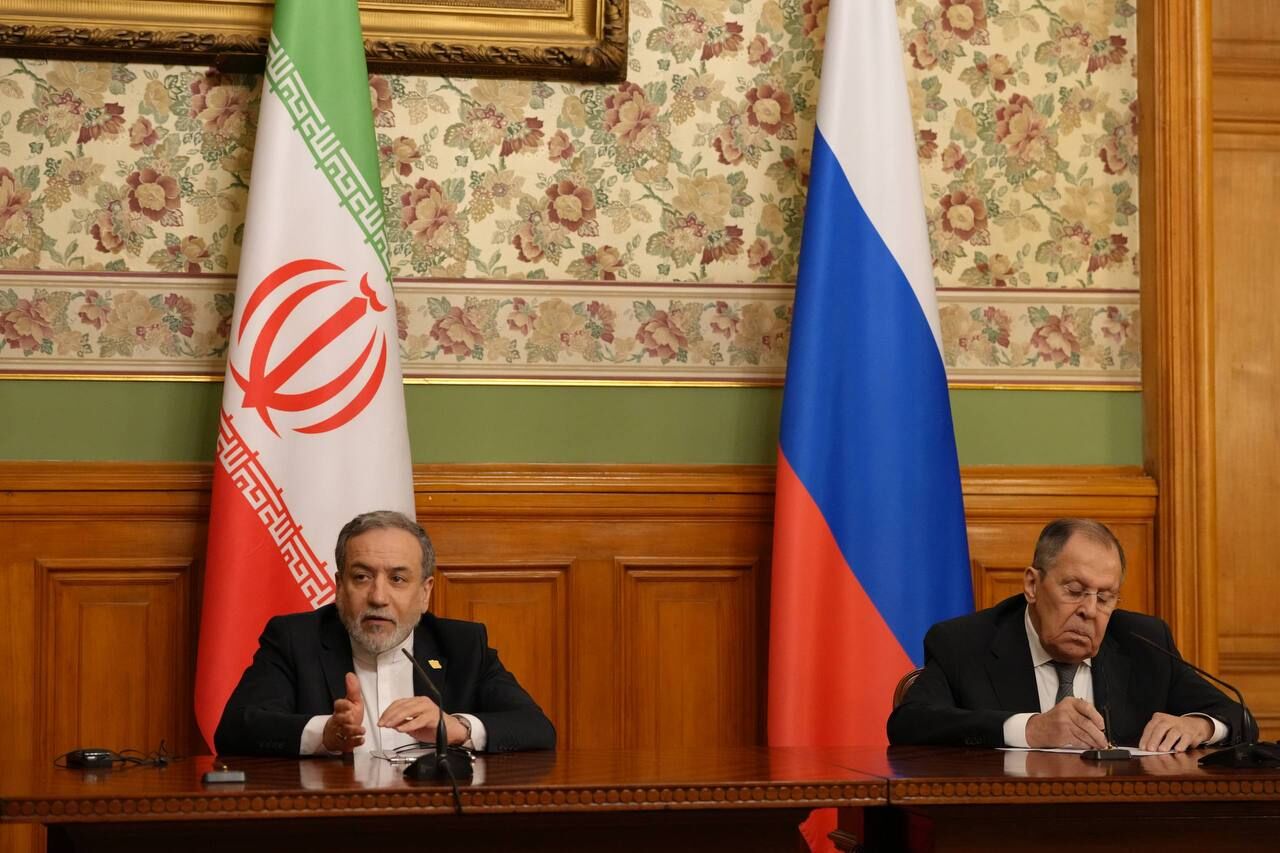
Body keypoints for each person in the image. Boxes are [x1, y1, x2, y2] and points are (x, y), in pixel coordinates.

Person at [887, 518, 1254, 751]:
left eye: (1105, 598)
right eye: (1075, 591)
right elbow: (909, 723)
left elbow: (1239, 717)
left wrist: (1200, 725)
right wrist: (1029, 729)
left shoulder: (1143, 642)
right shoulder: (965, 643)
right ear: (1032, 585)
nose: (1089, 610)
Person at [214, 510, 555, 756]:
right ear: (339, 587)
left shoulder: (462, 646)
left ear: (424, 592)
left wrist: (455, 727)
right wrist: (324, 733)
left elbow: (536, 727)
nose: (378, 597)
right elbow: (234, 730)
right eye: (362, 577)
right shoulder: (294, 639)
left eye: (397, 579)